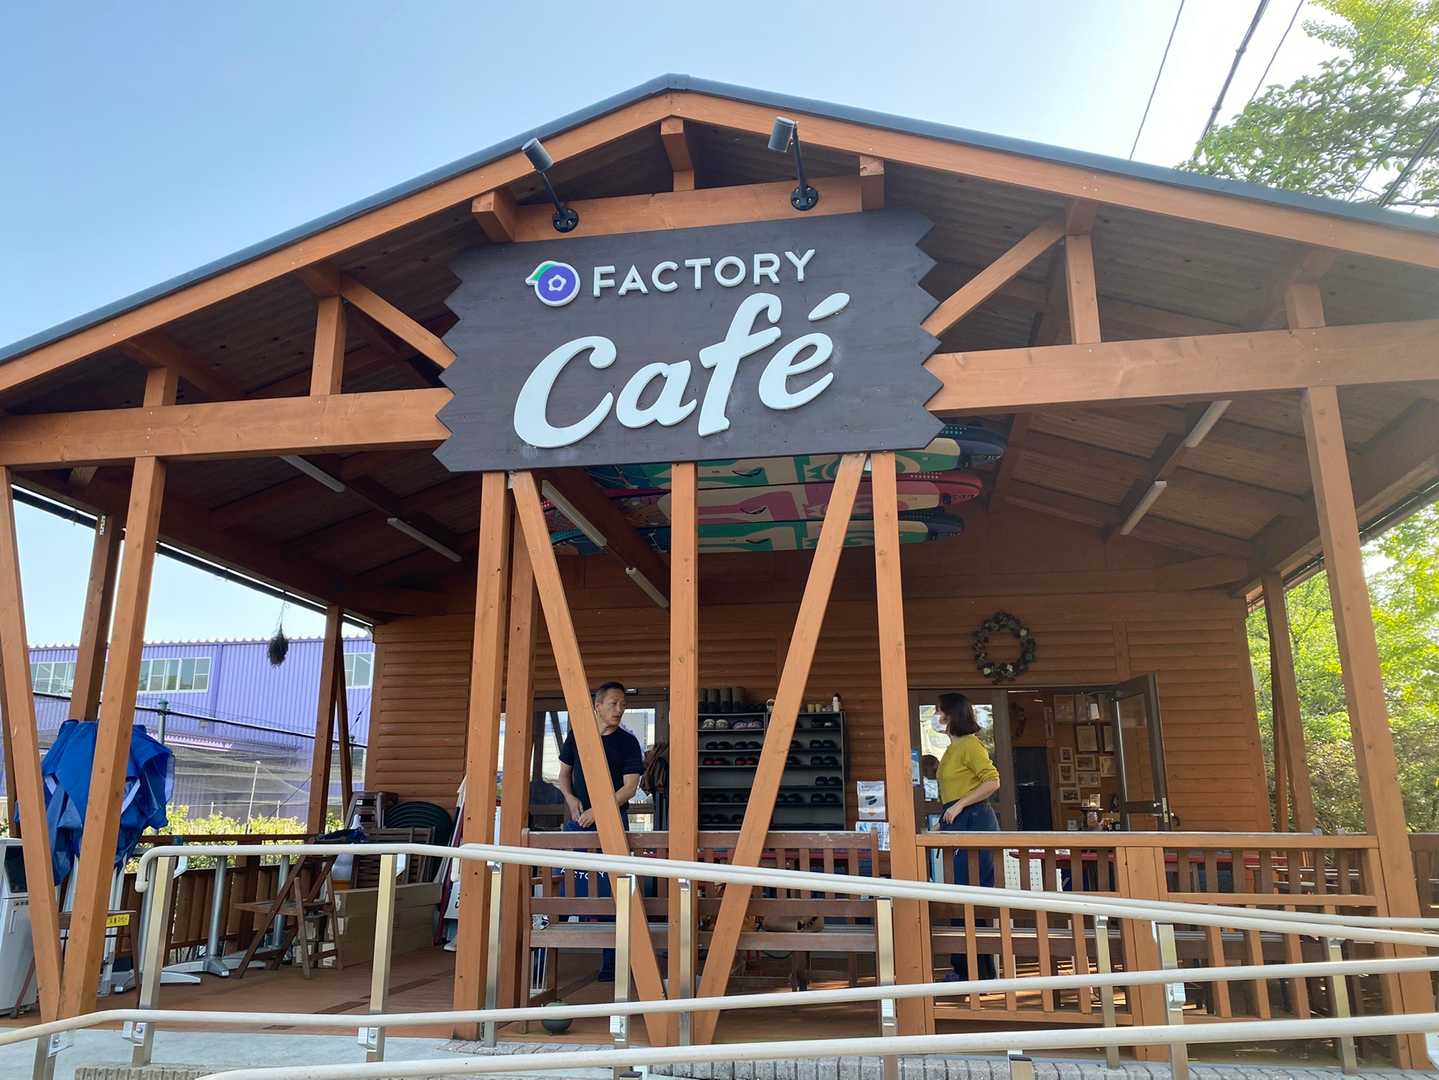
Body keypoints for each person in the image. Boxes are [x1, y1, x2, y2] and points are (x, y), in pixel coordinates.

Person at [555, 680, 645, 981]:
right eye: (614, 704)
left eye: (623, 705)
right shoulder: (578, 735)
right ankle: (544, 962)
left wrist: (599, 811)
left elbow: (630, 788)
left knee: (613, 892)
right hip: (577, 824)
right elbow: (563, 775)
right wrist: (571, 799)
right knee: (567, 888)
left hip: (614, 824)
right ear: (597, 706)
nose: (619, 710)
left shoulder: (627, 742)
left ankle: (611, 965)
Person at [935, 691, 1001, 981]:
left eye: (938, 711)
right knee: (959, 896)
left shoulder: (971, 745)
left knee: (970, 897)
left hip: (975, 821)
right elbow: (954, 791)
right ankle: (966, 969)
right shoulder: (952, 749)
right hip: (958, 820)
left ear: (951, 714)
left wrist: (960, 805)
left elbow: (992, 781)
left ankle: (976, 971)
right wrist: (945, 819)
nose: (935, 716)